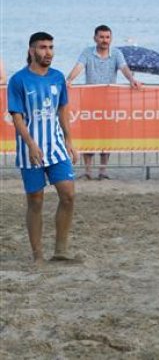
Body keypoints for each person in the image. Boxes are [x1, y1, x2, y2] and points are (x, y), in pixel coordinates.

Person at [7, 32, 78, 264]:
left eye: (51, 47)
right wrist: (31, 144)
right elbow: (17, 118)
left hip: (56, 147)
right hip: (31, 150)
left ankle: (61, 250)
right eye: (42, 47)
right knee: (36, 201)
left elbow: (63, 110)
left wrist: (69, 140)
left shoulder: (57, 78)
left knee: (68, 195)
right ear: (31, 51)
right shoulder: (18, 80)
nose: (48, 52)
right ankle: (38, 255)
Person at [66, 25, 142, 180]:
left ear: (111, 39)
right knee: (89, 135)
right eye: (101, 37)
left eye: (107, 37)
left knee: (106, 135)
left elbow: (124, 68)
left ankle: (103, 170)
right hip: (89, 100)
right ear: (95, 38)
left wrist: (132, 80)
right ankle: (87, 170)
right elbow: (78, 67)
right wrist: (69, 79)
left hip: (109, 102)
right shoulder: (87, 52)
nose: (104, 40)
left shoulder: (116, 53)